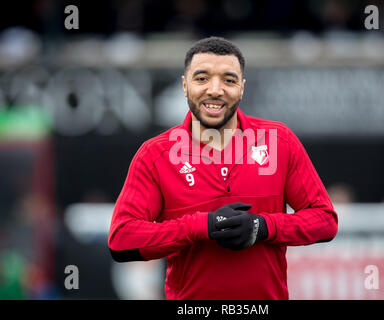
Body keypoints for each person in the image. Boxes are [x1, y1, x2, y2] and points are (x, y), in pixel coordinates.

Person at [108, 36, 338, 300]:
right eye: (202, 78)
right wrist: (202, 226)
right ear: (185, 86)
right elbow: (121, 239)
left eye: (228, 80)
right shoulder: (155, 154)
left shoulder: (278, 141)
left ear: (242, 88)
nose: (215, 90)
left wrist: (263, 227)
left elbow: (325, 220)